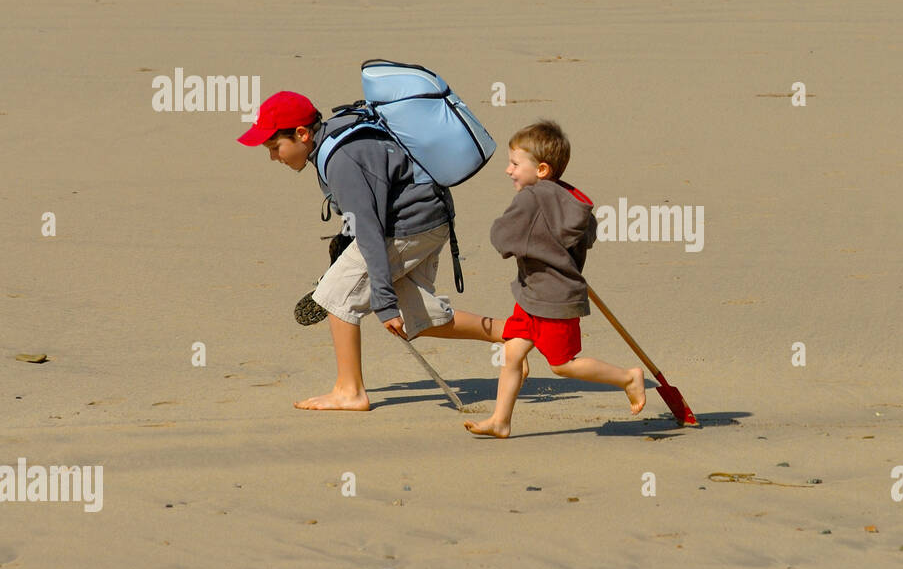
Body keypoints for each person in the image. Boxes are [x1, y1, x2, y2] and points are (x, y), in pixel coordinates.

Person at [237, 90, 519, 411]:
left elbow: (370, 229)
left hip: (409, 227)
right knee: (417, 315)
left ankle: (350, 391)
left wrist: (383, 301)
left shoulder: (341, 159)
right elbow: (366, 210)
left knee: (336, 295)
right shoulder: (337, 137)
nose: (274, 157)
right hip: (432, 219)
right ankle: (513, 335)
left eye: (275, 147)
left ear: (302, 134)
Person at [465, 120, 644, 438]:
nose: (509, 170)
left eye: (515, 164)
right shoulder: (571, 200)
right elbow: (586, 237)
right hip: (535, 293)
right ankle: (500, 420)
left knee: (562, 364)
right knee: (513, 352)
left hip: (552, 299)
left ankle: (628, 378)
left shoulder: (531, 199)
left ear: (543, 169)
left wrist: (521, 240)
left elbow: (502, 237)